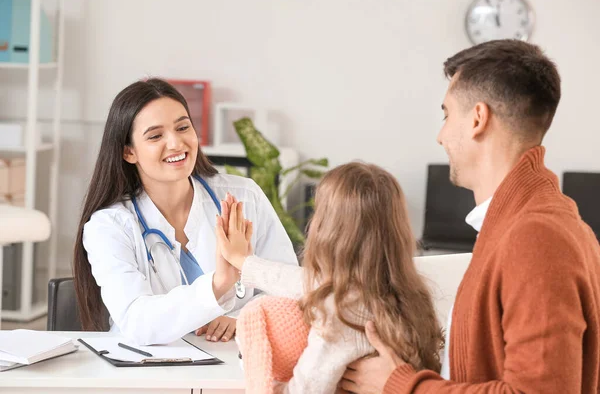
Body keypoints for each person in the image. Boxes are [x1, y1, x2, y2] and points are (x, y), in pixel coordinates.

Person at [341, 39, 600, 393]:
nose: (441, 135)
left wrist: (401, 386)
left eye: (447, 114)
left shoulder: (536, 235)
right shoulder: (526, 220)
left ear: (478, 118)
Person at [72, 78, 298, 345]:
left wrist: (242, 318)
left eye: (183, 127)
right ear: (129, 152)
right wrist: (218, 285)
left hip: (232, 362)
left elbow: (289, 290)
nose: (176, 143)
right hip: (146, 371)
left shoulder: (243, 197)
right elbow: (137, 322)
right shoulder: (109, 225)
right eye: (156, 136)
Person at [217, 162, 443, 393]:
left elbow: (305, 390)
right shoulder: (405, 291)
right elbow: (302, 282)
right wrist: (245, 263)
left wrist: (263, 373)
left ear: (327, 230)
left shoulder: (340, 310)